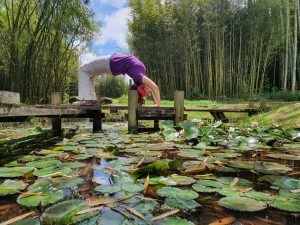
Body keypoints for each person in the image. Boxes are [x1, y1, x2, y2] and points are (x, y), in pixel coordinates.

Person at [72, 53, 161, 106]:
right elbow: (155, 87)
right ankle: (89, 99)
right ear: (144, 86)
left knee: (83, 69)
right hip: (111, 62)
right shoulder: (140, 76)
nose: (149, 90)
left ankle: (87, 100)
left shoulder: (139, 77)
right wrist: (158, 105)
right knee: (87, 72)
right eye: (148, 89)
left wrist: (157, 104)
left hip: (111, 63)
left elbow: (153, 88)